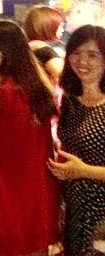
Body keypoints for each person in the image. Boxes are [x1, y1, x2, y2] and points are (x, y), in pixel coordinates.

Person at [0, 20, 61, 256]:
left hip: (9, 195)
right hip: (41, 195)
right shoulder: (37, 87)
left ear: (8, 50)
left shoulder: (0, 95)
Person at [48, 24, 105, 255]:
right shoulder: (71, 101)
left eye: (92, 55)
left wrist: (84, 171)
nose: (82, 61)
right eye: (77, 53)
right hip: (74, 206)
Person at [23, 4, 66, 86]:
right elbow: (62, 73)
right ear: (48, 26)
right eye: (60, 26)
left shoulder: (28, 47)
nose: (62, 30)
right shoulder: (41, 48)